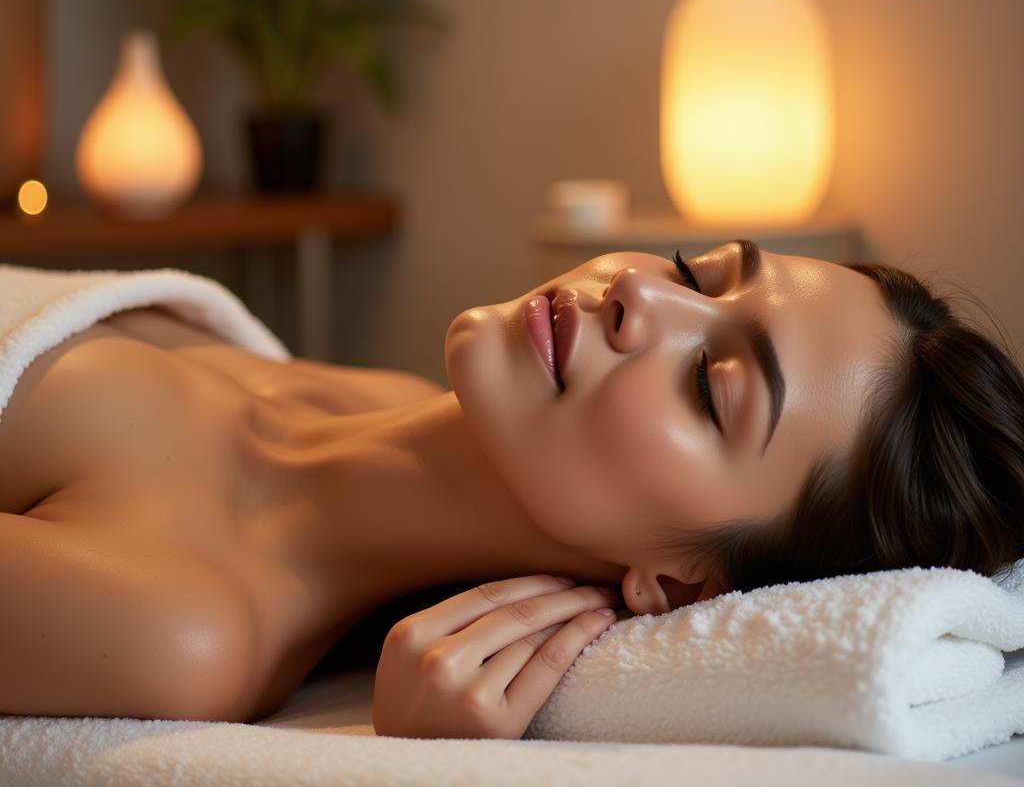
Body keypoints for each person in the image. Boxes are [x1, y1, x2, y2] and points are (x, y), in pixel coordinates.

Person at [1, 240, 1022, 740]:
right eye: (697, 272)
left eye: (712, 388)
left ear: (676, 587)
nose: (639, 295)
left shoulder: (182, 624)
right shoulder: (366, 393)